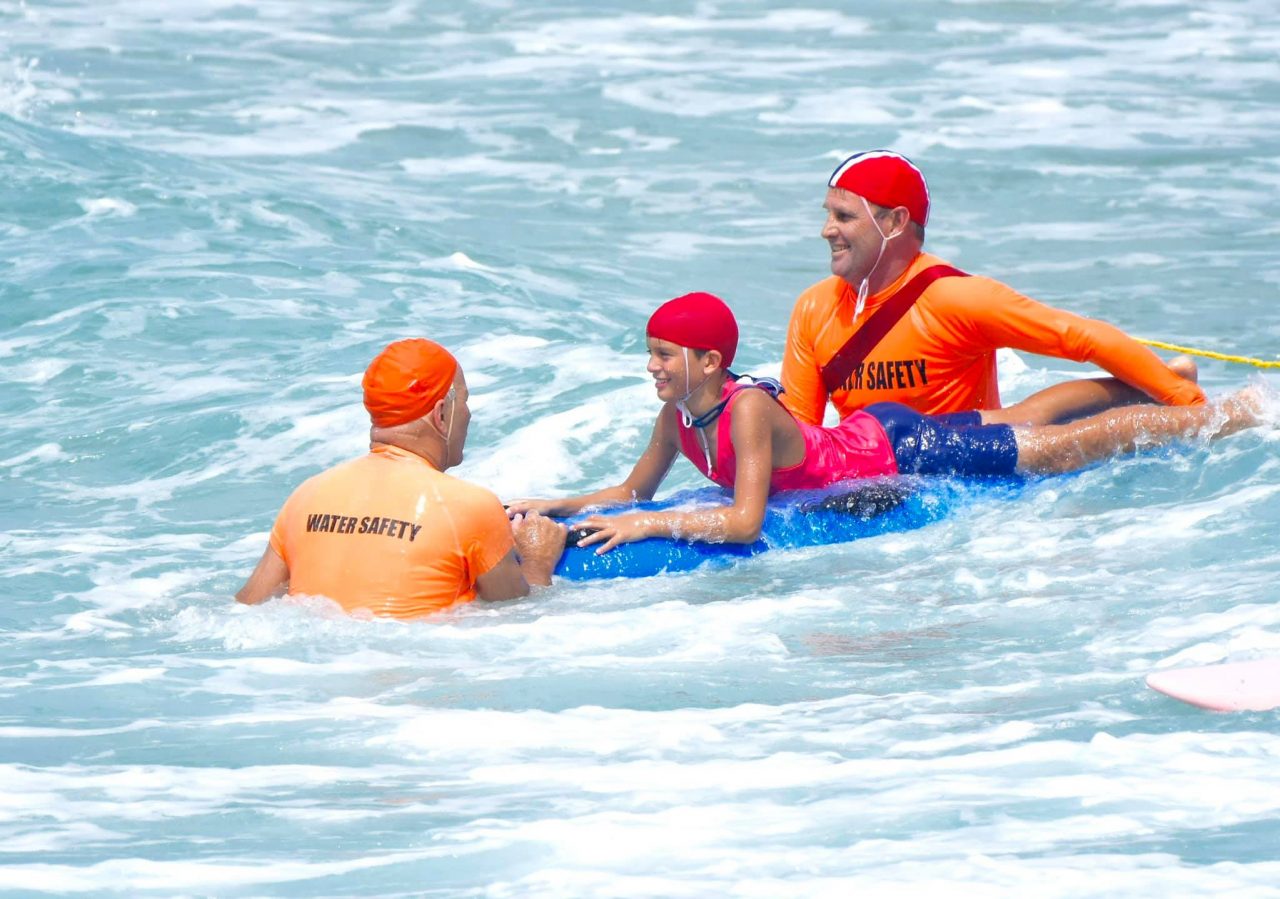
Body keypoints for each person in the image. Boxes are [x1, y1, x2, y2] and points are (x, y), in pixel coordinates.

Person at [509, 292, 1260, 554]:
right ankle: (1146, 381)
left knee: (1050, 451)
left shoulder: (745, 411)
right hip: (872, 432)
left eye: (665, 356)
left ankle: (1225, 412)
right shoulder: (678, 417)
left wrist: (648, 529)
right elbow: (630, 487)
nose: (653, 368)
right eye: (651, 355)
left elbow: (741, 522)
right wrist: (552, 504)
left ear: (711, 360)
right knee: (1013, 417)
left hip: (898, 446)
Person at [781, 149, 1208, 428]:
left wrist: (1189, 406)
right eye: (828, 214)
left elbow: (1079, 336)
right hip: (881, 467)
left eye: (843, 217)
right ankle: (1163, 377)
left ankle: (1170, 383)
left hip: (973, 466)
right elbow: (800, 428)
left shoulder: (955, 299)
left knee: (1036, 415)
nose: (826, 230)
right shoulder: (814, 308)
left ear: (894, 222)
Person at [237, 338, 565, 618]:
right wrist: (538, 562)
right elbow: (515, 616)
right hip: (412, 674)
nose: (468, 414)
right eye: (464, 402)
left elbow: (247, 607)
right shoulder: (469, 506)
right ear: (440, 415)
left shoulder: (307, 496)